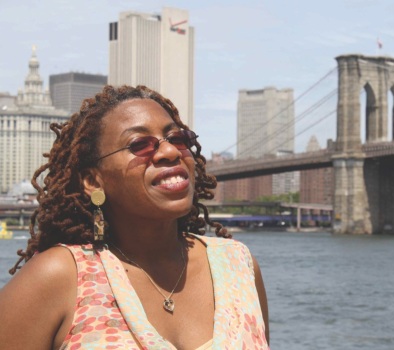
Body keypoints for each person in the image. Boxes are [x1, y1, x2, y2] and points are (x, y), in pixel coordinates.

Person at [0, 85, 269, 349]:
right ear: (94, 181)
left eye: (177, 139)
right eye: (140, 144)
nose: (170, 152)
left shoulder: (239, 266)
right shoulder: (60, 276)